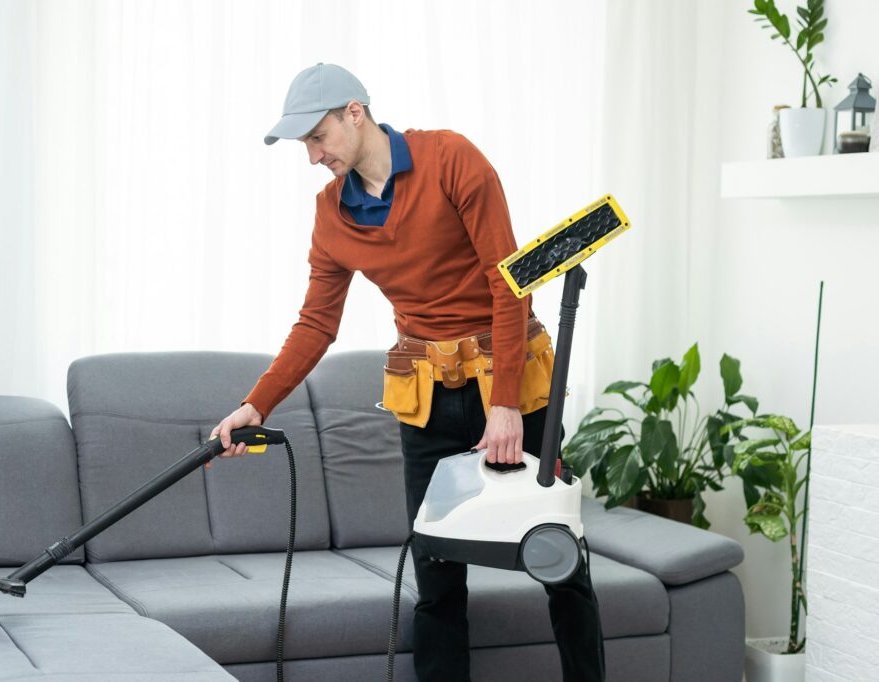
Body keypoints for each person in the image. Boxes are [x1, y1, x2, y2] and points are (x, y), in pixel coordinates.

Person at [210, 62, 605, 682]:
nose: (311, 156)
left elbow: (511, 285)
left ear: (354, 113)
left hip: (511, 389)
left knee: (559, 563)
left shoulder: (452, 160)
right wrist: (255, 405)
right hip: (427, 400)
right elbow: (317, 322)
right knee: (438, 582)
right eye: (303, 145)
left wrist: (503, 404)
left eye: (317, 137)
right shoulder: (332, 215)